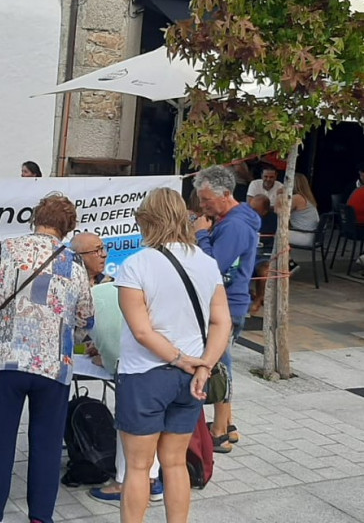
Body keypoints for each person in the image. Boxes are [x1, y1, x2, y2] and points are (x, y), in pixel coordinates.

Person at [0, 194, 94, 523]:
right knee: (47, 445)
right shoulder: (74, 262)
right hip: (53, 364)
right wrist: (70, 341)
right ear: (66, 228)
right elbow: (84, 316)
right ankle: (40, 517)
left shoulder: (6, 248)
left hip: (6, 360)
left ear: (36, 218)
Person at [113, 188, 232, 523]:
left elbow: (142, 331)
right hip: (192, 378)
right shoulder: (207, 264)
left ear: (146, 221)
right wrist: (204, 364)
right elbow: (223, 321)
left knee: (138, 467)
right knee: (175, 462)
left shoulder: (135, 265)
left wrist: (180, 358)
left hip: (145, 374)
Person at [70, 233, 164, 506]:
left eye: (103, 248)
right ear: (78, 258)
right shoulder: (80, 288)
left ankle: (130, 482)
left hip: (129, 364)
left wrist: (105, 353)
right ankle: (150, 479)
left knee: (131, 421)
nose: (103, 254)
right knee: (143, 419)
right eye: (95, 251)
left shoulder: (110, 286)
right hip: (141, 361)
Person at [193, 165, 261, 453]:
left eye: (207, 200)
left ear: (226, 195)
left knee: (219, 367)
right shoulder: (235, 219)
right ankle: (227, 425)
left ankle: (219, 431)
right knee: (224, 362)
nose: (202, 205)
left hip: (227, 304)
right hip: (230, 301)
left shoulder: (233, 226)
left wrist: (201, 235)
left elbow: (212, 267)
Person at [248, 195, 276, 317]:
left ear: (264, 211)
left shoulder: (274, 220)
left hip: (265, 253)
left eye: (255, 210)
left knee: (264, 271)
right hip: (248, 252)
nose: (250, 212)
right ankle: (247, 294)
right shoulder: (246, 218)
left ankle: (259, 297)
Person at [288, 173, 320, 247]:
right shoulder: (308, 197)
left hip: (304, 236)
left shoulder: (297, 198)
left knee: (277, 234)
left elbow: (280, 212)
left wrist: (280, 195)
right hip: (312, 236)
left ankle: (281, 258)